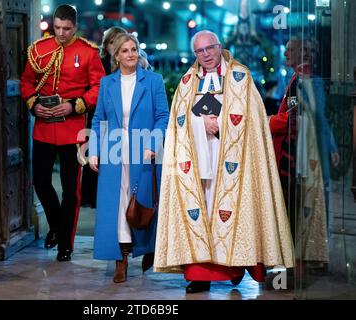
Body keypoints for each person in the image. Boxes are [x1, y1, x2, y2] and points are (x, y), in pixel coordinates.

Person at [154, 30, 295, 293]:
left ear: (219, 47)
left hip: (233, 160)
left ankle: (234, 267)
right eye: (199, 51)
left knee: (232, 213)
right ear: (194, 53)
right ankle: (200, 275)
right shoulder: (186, 82)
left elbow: (253, 120)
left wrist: (219, 125)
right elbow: (177, 123)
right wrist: (200, 123)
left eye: (210, 48)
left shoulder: (240, 77)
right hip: (197, 163)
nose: (205, 55)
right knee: (202, 215)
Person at [20, 4, 105, 262]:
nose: (61, 33)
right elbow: (26, 81)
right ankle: (57, 226)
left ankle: (65, 244)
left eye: (66, 29)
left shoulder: (88, 53)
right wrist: (33, 103)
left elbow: (98, 87)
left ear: (75, 27)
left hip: (73, 129)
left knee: (71, 190)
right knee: (41, 183)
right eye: (57, 28)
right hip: (44, 127)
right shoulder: (38, 49)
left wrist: (75, 104)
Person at [88, 33, 169, 283]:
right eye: (125, 50)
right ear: (116, 56)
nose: (131, 54)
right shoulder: (107, 83)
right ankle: (120, 259)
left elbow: (163, 116)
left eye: (134, 49)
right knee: (118, 204)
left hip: (144, 151)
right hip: (113, 152)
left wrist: (154, 143)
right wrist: (93, 150)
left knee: (143, 202)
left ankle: (148, 248)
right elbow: (99, 118)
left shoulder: (153, 81)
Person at [269, 38, 339, 264]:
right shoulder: (294, 79)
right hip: (295, 151)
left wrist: (266, 122)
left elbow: (316, 118)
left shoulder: (309, 81)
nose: (286, 54)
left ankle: (306, 257)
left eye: (290, 50)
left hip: (305, 152)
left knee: (306, 202)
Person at [80, 26, 127, 209]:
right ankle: (93, 197)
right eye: (111, 42)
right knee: (96, 157)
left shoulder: (126, 64)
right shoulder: (98, 62)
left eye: (118, 42)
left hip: (118, 117)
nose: (114, 46)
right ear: (106, 44)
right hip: (99, 115)